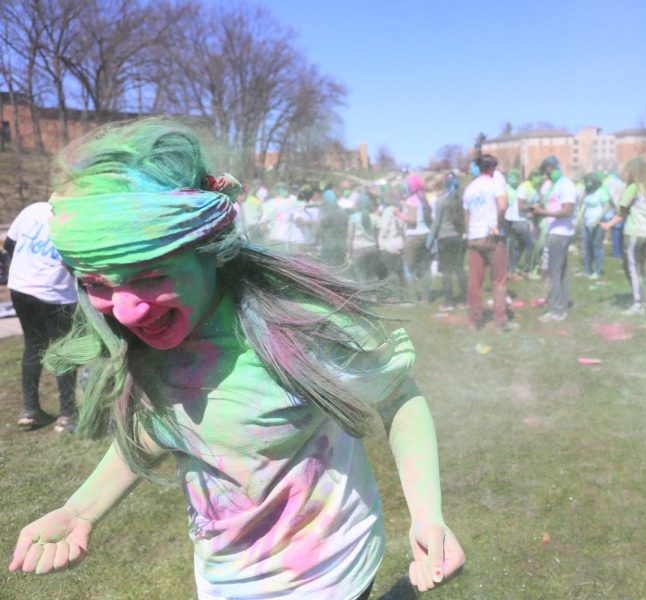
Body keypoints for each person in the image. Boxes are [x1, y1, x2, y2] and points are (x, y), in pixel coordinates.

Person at [7, 119, 464, 598]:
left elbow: (399, 399)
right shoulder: (146, 344)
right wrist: (80, 510)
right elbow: (157, 427)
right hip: (224, 584)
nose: (124, 310)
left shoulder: (294, 328)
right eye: (98, 283)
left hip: (330, 578)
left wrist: (427, 513)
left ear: (208, 248)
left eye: (146, 275)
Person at [5, 201, 78, 433]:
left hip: (21, 287)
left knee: (33, 345)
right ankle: (67, 416)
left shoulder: (32, 209)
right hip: (56, 293)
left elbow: (9, 245)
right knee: (63, 351)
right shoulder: (75, 216)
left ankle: (30, 410)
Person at [602, 159, 646, 315]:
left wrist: (608, 222)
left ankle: (638, 304)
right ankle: (645, 301)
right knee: (639, 269)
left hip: (634, 233)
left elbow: (622, 210)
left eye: (627, 170)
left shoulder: (632, 188)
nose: (625, 173)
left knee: (632, 269)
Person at [462, 155, 515, 331]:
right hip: (492, 236)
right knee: (499, 278)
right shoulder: (496, 184)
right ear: (493, 168)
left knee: (474, 280)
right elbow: (502, 206)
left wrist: (470, 234)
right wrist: (497, 225)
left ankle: (474, 320)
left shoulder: (469, 188)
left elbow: (467, 216)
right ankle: (500, 319)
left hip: (474, 237)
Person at [531, 156, 577, 322]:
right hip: (557, 231)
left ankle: (557, 310)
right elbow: (556, 207)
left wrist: (543, 213)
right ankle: (562, 302)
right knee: (561, 271)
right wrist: (542, 209)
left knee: (554, 272)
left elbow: (567, 210)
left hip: (560, 233)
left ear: (551, 167)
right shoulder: (557, 185)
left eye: (546, 171)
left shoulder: (566, 185)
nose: (546, 175)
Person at [430, 173, 467, 310]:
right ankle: (465, 299)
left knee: (446, 271)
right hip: (458, 238)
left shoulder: (441, 201)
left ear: (445, 184)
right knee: (459, 269)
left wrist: (430, 239)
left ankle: (449, 302)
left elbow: (437, 223)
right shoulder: (461, 200)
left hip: (444, 238)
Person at [400, 175, 433, 304]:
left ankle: (413, 299)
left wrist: (398, 214)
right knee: (426, 268)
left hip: (413, 236)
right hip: (426, 235)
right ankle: (426, 298)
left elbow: (412, 220)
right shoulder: (424, 199)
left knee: (408, 268)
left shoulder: (411, 200)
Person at [580, 172, 609, 278]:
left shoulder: (601, 192)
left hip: (598, 223)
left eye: (589, 181)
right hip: (587, 223)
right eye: (586, 182)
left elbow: (606, 206)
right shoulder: (587, 192)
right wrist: (579, 218)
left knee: (597, 246)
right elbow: (583, 205)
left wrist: (597, 219)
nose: (587, 183)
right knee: (587, 247)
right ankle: (587, 270)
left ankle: (597, 270)